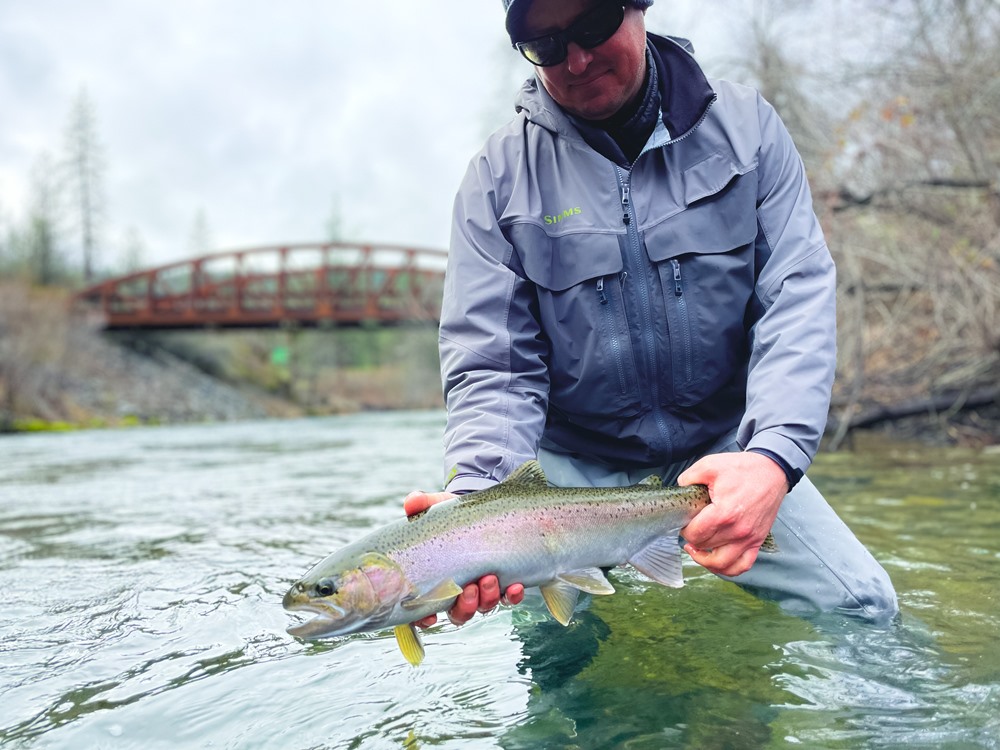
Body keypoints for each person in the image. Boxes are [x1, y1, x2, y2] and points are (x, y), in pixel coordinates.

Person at [405, 0, 898, 629]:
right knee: (552, 642)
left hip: (726, 448)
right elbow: (495, 366)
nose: (576, 59)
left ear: (639, 6)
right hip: (570, 469)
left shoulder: (747, 129)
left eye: (591, 26)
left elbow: (794, 296)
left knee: (866, 609)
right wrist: (478, 500)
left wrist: (773, 458)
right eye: (547, 46)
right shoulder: (497, 180)